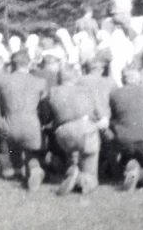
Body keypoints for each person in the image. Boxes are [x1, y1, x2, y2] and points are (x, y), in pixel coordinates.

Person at [0, 50, 49, 190]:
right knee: (31, 153)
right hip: (31, 124)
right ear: (29, 64)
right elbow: (45, 109)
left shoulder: (1, 82)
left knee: (12, 147)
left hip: (9, 125)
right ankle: (34, 168)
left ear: (12, 64)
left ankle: (13, 170)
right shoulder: (40, 82)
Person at [46, 66, 105, 195]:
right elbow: (102, 118)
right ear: (76, 77)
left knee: (71, 153)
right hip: (86, 130)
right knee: (91, 173)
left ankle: (72, 172)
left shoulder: (52, 92)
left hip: (63, 132)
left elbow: (47, 118)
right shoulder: (87, 91)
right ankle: (82, 180)